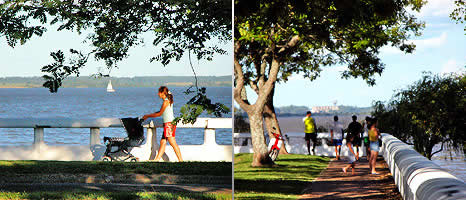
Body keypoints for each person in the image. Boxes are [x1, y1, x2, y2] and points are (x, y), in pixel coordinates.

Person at [142, 86, 183, 162]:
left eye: (159, 92)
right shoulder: (168, 100)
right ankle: (157, 159)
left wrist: (147, 116)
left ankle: (181, 161)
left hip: (169, 124)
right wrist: (151, 114)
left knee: (173, 143)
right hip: (169, 124)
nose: (158, 94)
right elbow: (161, 112)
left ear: (162, 93)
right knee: (163, 142)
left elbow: (159, 114)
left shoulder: (166, 102)